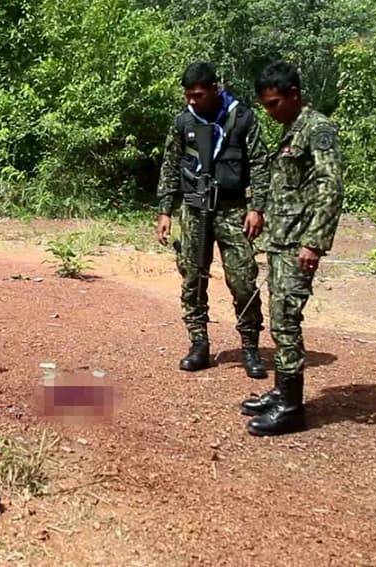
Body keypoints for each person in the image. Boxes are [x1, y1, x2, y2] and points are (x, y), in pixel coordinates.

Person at [240, 60, 344, 436]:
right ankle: (282, 392)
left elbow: (329, 187)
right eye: (265, 104)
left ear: (294, 95)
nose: (269, 111)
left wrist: (313, 242)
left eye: (273, 103)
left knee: (286, 319)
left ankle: (291, 408)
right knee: (279, 315)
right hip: (283, 240)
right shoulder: (292, 129)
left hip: (299, 242)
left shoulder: (317, 129)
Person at [156, 62, 269, 379]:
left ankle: (250, 347)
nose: (192, 100)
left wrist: (256, 207)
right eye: (188, 95)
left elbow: (260, 163)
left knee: (243, 281)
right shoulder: (183, 122)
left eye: (198, 94)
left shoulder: (242, 118)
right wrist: (165, 210)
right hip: (193, 209)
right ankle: (198, 344)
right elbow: (170, 164)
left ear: (215, 88)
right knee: (193, 279)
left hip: (233, 209)